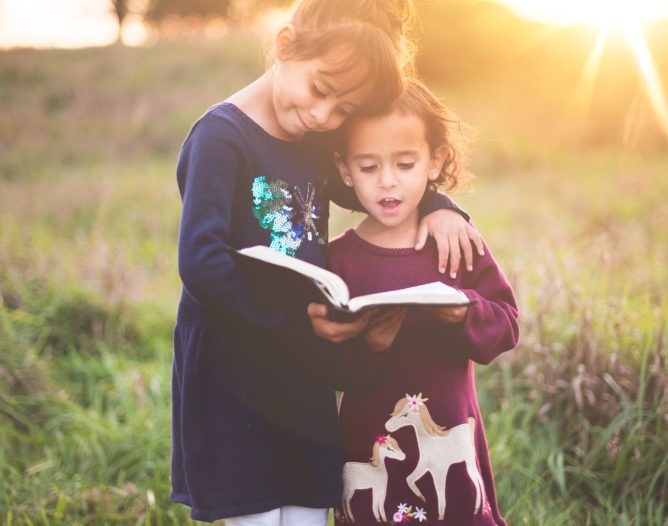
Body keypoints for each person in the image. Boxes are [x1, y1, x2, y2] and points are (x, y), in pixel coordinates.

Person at [171, 1, 484, 524]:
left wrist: (440, 205)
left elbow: (377, 187)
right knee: (255, 513)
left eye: (343, 110)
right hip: (233, 371)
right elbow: (200, 262)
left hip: (302, 369)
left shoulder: (314, 141)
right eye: (320, 90)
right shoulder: (221, 137)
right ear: (286, 44)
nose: (324, 116)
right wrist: (297, 319)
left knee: (309, 511)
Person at [329, 78, 520, 526]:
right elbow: (328, 368)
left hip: (451, 433)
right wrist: (370, 344)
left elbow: (507, 327)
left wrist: (464, 312)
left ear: (435, 161)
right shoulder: (338, 260)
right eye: (368, 166)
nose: (388, 181)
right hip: (368, 442)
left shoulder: (455, 242)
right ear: (344, 169)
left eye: (406, 163)